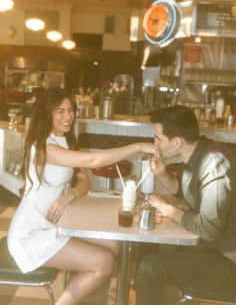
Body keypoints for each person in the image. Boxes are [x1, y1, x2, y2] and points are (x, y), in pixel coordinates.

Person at [7, 87, 156, 305]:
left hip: (52, 223)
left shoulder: (64, 140)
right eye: (60, 111)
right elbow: (92, 162)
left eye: (71, 110)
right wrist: (139, 145)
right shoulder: (44, 147)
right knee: (103, 262)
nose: (68, 116)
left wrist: (69, 195)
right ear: (47, 113)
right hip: (31, 234)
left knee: (113, 245)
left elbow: (85, 180)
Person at [135, 105, 236, 305]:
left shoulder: (214, 162)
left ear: (177, 142)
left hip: (229, 261)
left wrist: (166, 209)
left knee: (150, 267)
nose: (155, 144)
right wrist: (162, 173)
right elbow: (183, 191)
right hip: (213, 248)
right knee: (147, 248)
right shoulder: (198, 153)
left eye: (158, 139)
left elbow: (208, 229)